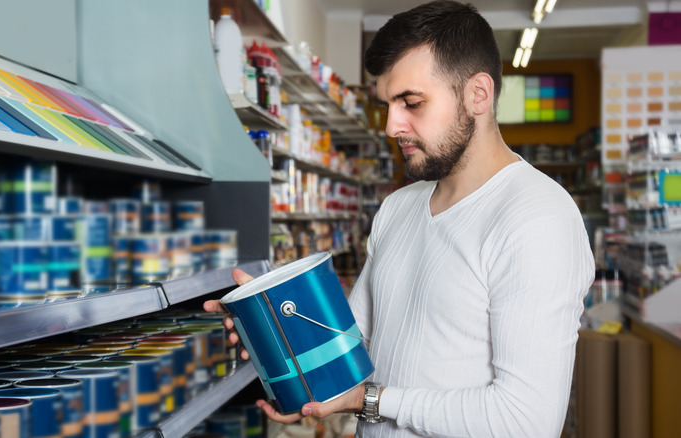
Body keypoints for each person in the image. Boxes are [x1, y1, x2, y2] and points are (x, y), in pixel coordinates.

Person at [205, 1, 594, 436]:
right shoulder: (398, 207)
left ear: (478, 94)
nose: (392, 125)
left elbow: (527, 421)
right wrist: (272, 324)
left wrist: (370, 400)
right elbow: (357, 345)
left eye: (411, 102)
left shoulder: (537, 218)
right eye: (388, 103)